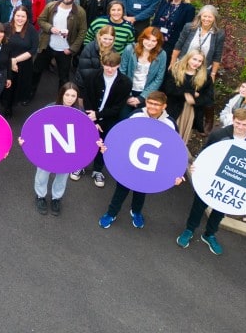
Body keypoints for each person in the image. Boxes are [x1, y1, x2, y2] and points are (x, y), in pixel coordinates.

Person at [177, 108, 246, 255]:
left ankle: (209, 234)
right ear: (233, 120)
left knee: (221, 209)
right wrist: (196, 164)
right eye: (237, 123)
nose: (240, 127)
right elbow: (205, 151)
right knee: (198, 206)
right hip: (211, 178)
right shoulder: (219, 134)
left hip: (233, 182)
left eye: (244, 125)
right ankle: (189, 230)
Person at [99, 91, 183, 230]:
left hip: (151, 165)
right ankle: (111, 213)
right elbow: (122, 134)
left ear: (164, 106)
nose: (152, 107)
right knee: (121, 188)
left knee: (142, 189)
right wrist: (109, 149)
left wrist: (176, 172)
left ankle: (136, 212)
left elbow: (174, 149)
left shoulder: (170, 123)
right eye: (150, 103)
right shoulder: (136, 115)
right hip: (130, 160)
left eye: (157, 104)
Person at [22, 82, 83, 216]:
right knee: (42, 174)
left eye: (73, 95)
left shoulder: (80, 113)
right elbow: (36, 128)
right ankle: (40, 196)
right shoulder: (49, 108)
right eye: (67, 94)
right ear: (62, 94)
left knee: (62, 176)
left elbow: (83, 135)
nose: (70, 98)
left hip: (67, 152)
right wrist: (26, 140)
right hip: (47, 150)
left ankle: (56, 198)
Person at [83, 50, 130, 187]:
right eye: (106, 65)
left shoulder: (125, 83)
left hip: (110, 119)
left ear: (119, 65)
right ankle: (81, 165)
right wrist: (93, 119)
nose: (109, 69)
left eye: (113, 66)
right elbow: (87, 99)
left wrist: (98, 116)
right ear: (102, 64)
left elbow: (118, 107)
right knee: (86, 141)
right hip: (90, 116)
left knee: (104, 143)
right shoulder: (92, 76)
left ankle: (97, 170)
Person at [162, 50, 214, 143]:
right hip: (172, 108)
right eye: (194, 59)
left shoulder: (205, 77)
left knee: (181, 137)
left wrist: (195, 101)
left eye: (199, 61)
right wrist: (189, 93)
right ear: (188, 58)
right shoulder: (175, 70)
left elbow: (209, 97)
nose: (196, 63)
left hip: (190, 111)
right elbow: (168, 89)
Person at [120, 27, 168, 114]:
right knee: (123, 119)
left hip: (147, 93)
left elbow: (159, 78)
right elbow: (122, 71)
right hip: (127, 90)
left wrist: (142, 98)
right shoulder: (130, 49)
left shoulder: (162, 54)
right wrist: (128, 95)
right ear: (142, 38)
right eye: (148, 39)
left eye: (154, 41)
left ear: (158, 42)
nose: (150, 43)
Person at [172, 5, 225, 81]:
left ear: (214, 18)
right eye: (204, 16)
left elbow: (217, 55)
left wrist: (213, 74)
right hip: (182, 66)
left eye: (210, 17)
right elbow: (178, 45)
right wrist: (173, 62)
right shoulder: (189, 27)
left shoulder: (219, 34)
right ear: (200, 16)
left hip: (201, 71)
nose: (206, 19)